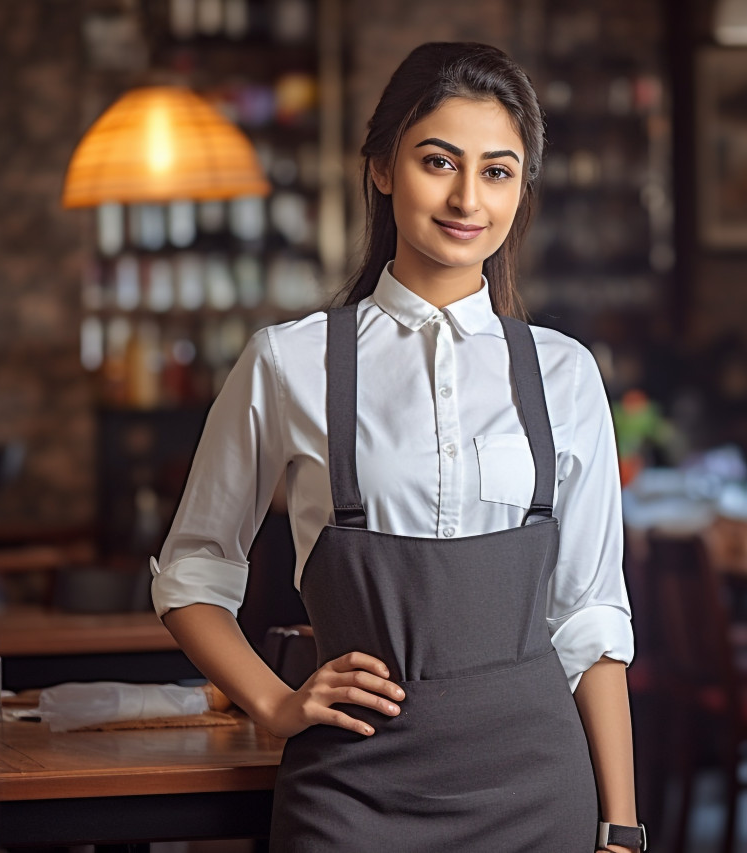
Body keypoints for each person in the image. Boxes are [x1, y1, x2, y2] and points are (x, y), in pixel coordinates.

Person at [149, 42, 643, 853]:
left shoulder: (565, 373)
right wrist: (274, 704)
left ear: (522, 189)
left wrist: (621, 826)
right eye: (438, 161)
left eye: (497, 171)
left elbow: (590, 618)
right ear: (381, 167)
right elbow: (192, 572)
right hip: (351, 792)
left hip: (536, 790)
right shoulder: (289, 361)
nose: (466, 197)